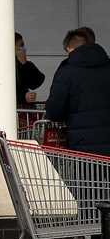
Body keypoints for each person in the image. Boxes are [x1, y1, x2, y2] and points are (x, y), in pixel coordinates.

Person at [46, 28, 110, 156]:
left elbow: (54, 111)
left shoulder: (67, 71)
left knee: (85, 175)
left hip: (82, 144)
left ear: (71, 49)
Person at [15, 32, 45, 110]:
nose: (24, 48)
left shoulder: (25, 64)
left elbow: (36, 82)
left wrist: (24, 64)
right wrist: (23, 97)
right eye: (21, 45)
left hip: (23, 110)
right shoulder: (1, 67)